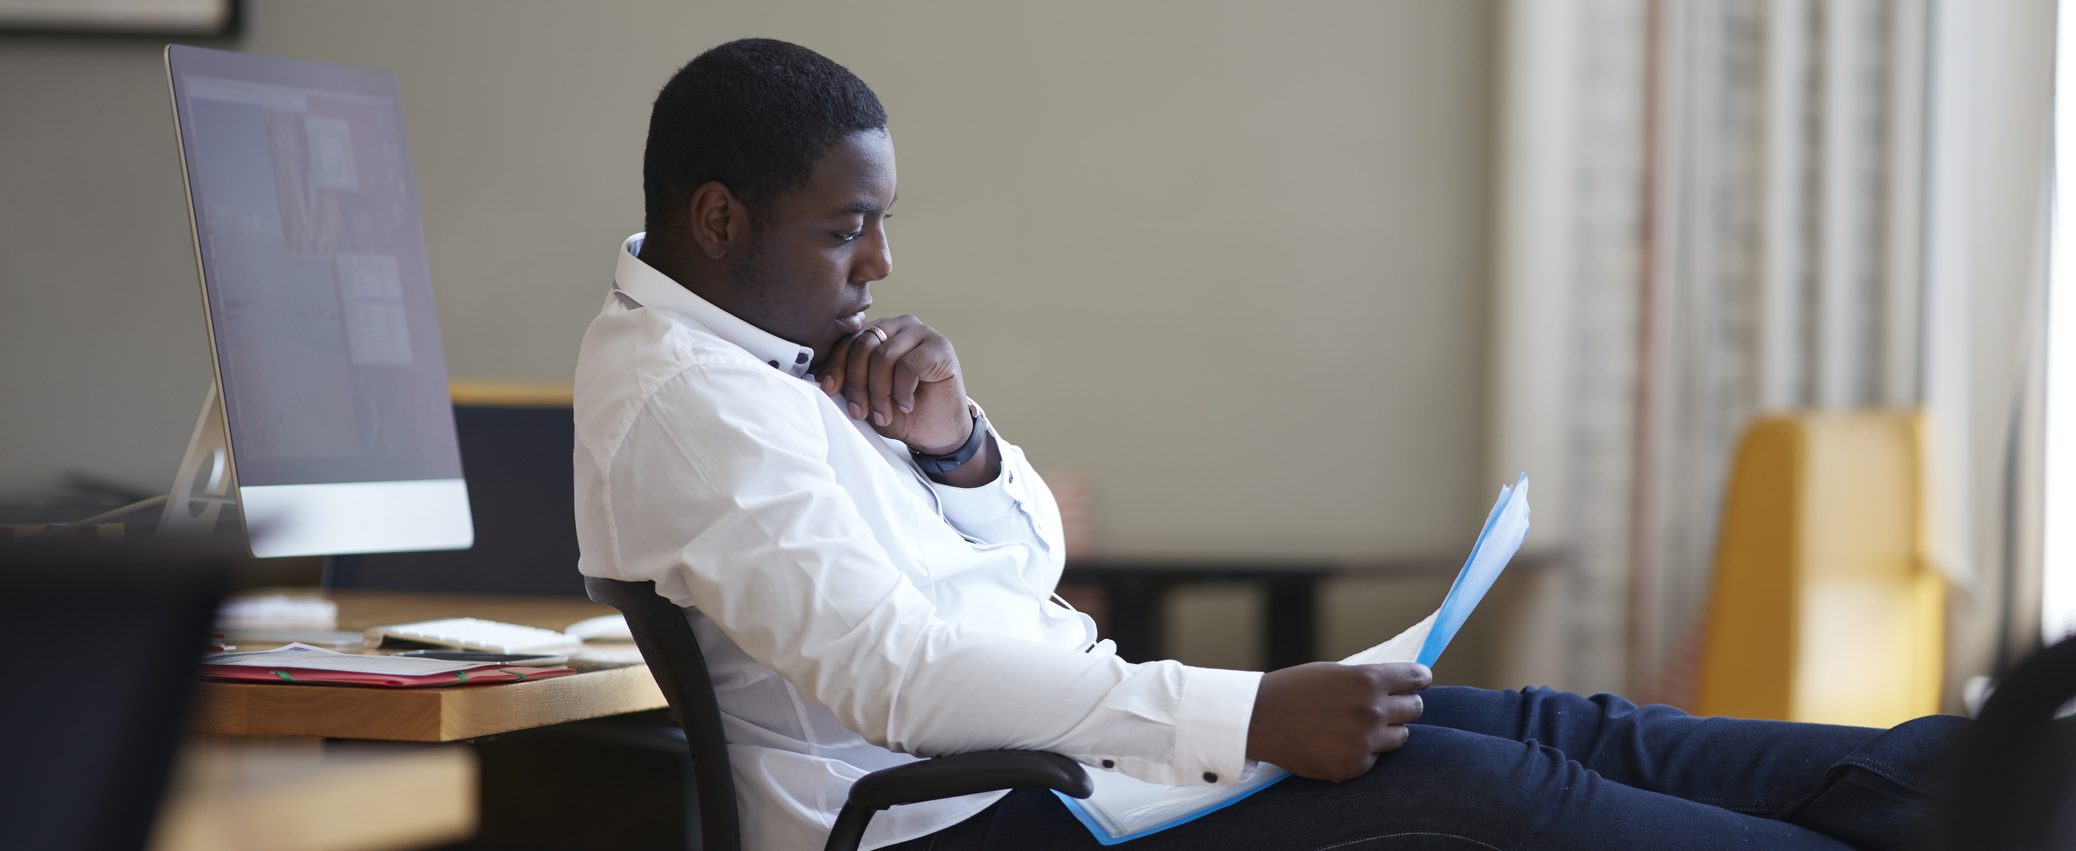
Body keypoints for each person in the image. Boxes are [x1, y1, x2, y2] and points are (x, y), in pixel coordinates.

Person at [574, 38, 1964, 851]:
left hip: (1064, 754)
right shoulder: (691, 405)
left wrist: (956, 455)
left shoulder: (774, 350)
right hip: (976, 817)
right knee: (1488, 788)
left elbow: (1022, 576)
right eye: (844, 228)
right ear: (717, 221)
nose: (881, 262)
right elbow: (904, 678)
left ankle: (1966, 783)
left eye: (879, 222)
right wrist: (1244, 717)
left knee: (1546, 724)